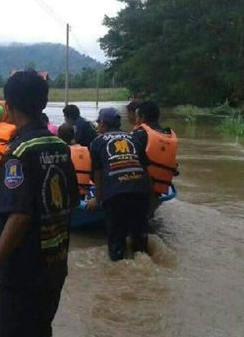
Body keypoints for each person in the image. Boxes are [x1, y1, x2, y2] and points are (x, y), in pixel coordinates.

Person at [0, 70, 80, 337]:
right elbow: (73, 200)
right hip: (55, 265)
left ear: (8, 107)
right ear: (44, 104)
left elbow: (19, 216)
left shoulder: (17, 153)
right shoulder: (60, 146)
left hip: (24, 272)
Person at [86, 108, 152, 261]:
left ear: (102, 124)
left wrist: (97, 198)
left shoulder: (97, 142)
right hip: (141, 191)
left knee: (117, 242)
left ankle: (118, 270)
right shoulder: (133, 138)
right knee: (140, 239)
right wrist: (150, 195)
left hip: (115, 194)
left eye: (98, 122)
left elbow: (98, 174)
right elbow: (145, 168)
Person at [131, 101, 178, 195]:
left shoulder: (139, 134)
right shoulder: (169, 136)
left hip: (138, 187)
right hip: (159, 188)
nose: (136, 121)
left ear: (142, 117)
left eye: (136, 117)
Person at [57, 123, 93, 197]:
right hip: (85, 191)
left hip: (69, 193)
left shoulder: (61, 153)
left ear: (59, 136)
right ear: (74, 135)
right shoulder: (86, 150)